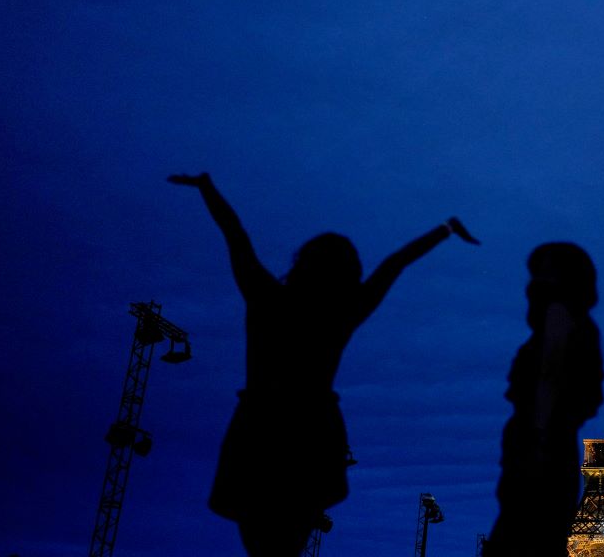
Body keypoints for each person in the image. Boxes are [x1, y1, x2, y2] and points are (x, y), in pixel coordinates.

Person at [169, 172, 478, 556]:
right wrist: (445, 230)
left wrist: (207, 189)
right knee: (291, 538)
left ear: (303, 263)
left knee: (259, 535)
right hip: (314, 428)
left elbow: (236, 235)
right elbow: (395, 264)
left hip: (259, 423)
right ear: (349, 272)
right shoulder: (345, 311)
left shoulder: (266, 297)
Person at [485, 243, 604, 557]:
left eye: (541, 275)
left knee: (517, 535)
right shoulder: (582, 326)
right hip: (554, 446)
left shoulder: (558, 314)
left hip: (538, 445)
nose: (532, 284)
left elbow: (549, 375)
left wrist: (538, 437)